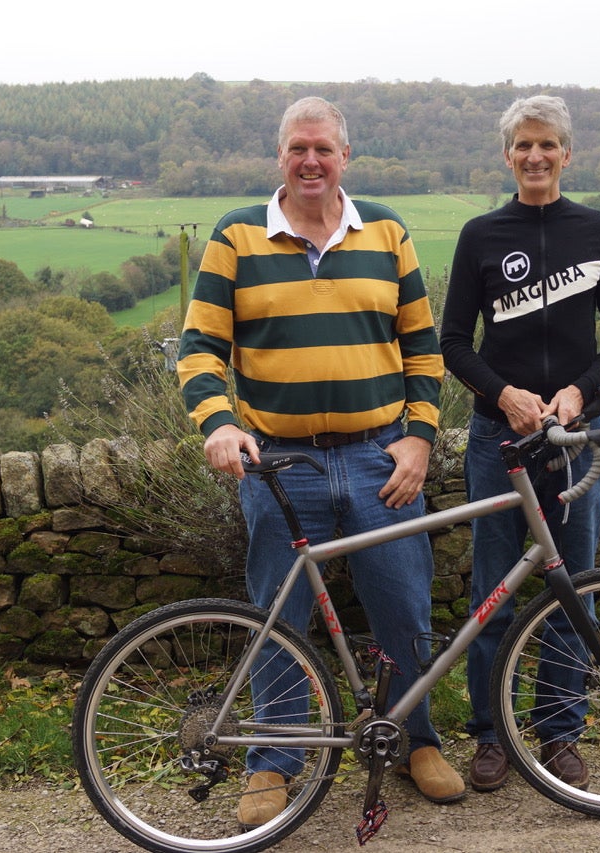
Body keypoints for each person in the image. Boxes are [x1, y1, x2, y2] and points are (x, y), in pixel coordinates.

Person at [176, 96, 463, 828]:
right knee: (279, 617)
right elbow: (200, 349)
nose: (311, 161)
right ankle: (273, 760)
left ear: (345, 157)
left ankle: (412, 740)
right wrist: (218, 423)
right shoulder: (236, 236)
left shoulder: (388, 231)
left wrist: (420, 437)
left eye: (324, 150)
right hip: (281, 464)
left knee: (403, 609)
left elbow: (424, 351)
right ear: (280, 156)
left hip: (379, 458)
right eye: (298, 148)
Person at [439, 94, 600, 793]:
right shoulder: (481, 234)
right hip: (502, 438)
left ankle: (559, 732)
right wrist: (504, 394)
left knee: (569, 588)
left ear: (567, 153)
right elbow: (454, 344)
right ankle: (492, 734)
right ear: (507, 155)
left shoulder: (599, 231)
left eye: (547, 144)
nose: (535, 156)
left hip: (573, 436)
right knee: (494, 588)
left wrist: (581, 389)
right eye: (523, 145)